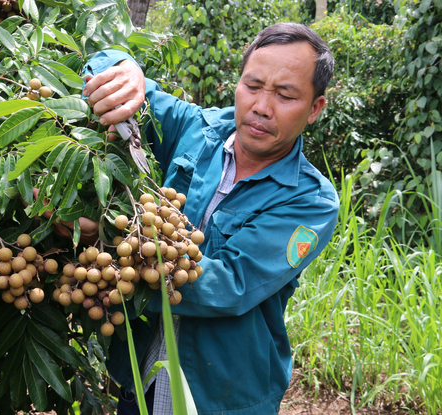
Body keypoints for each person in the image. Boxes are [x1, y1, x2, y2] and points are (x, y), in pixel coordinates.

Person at [80, 23, 340, 415]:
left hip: (222, 396)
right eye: (252, 86)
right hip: (139, 374)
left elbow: (230, 284)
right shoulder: (195, 129)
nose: (262, 107)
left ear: (315, 108)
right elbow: (101, 64)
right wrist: (127, 70)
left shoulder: (310, 201)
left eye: (285, 95)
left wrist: (103, 242)